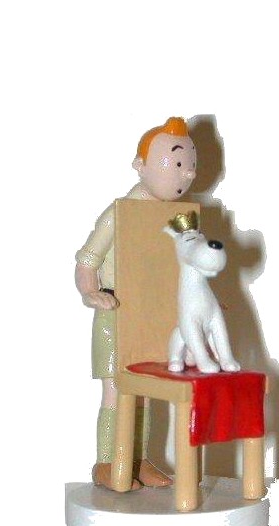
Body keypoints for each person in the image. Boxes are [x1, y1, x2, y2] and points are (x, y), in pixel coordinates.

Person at [74, 117, 197, 490]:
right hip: (116, 314)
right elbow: (87, 261)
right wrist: (90, 292)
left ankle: (137, 460)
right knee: (117, 390)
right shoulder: (119, 213)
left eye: (190, 164)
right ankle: (108, 462)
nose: (187, 172)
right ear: (140, 166)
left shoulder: (178, 220)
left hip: (151, 315)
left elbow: (188, 267)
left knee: (145, 391)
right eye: (178, 162)